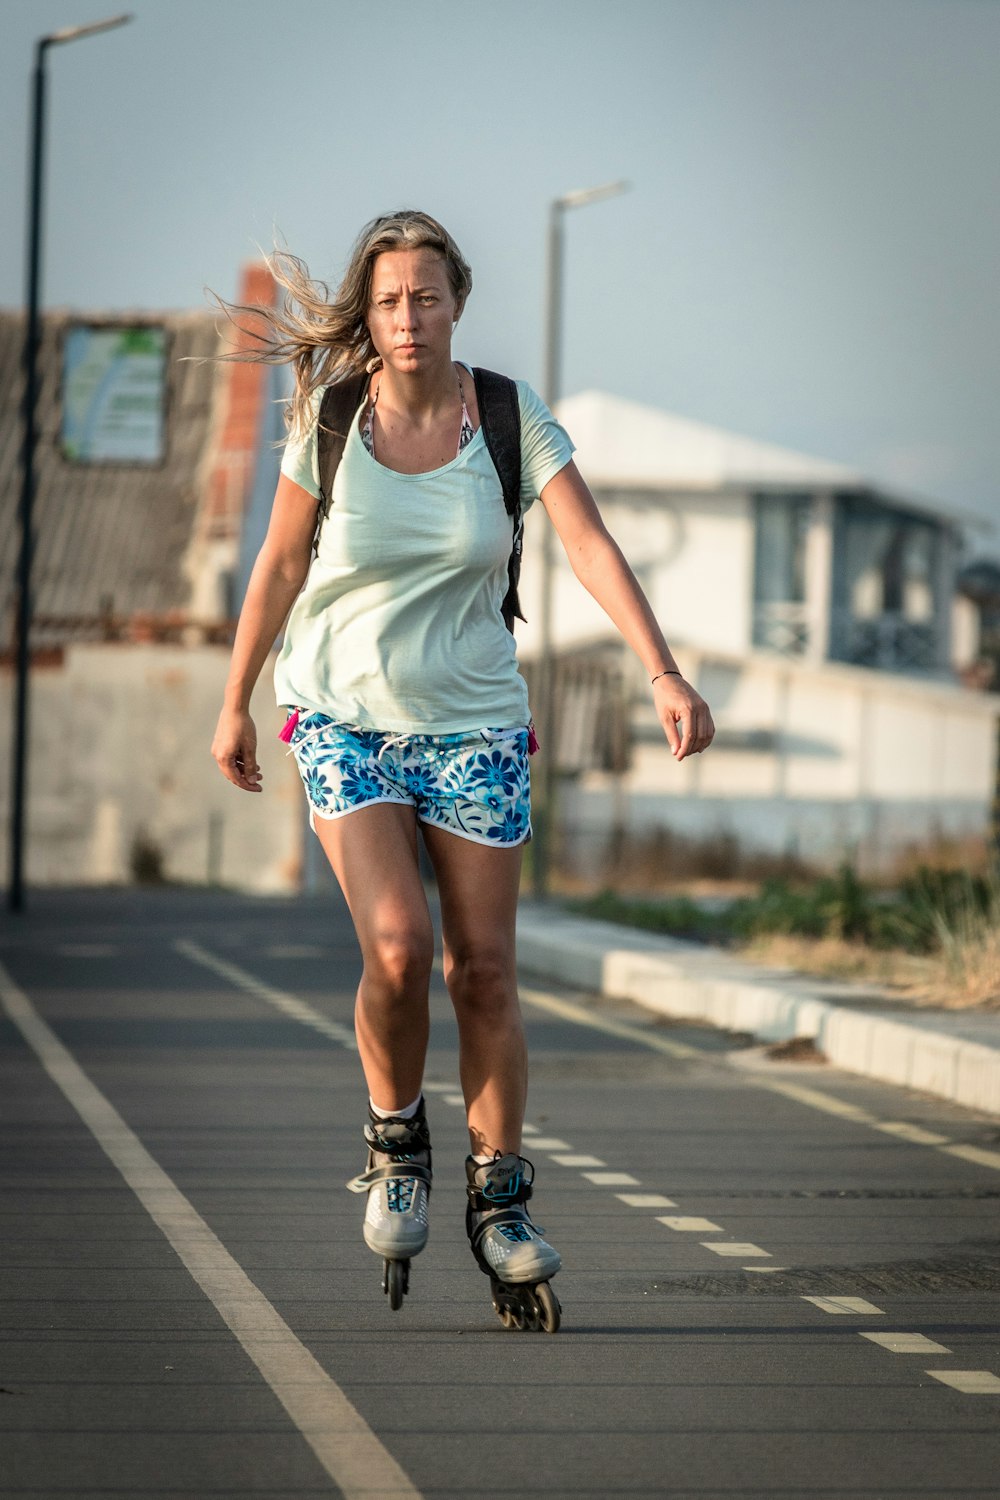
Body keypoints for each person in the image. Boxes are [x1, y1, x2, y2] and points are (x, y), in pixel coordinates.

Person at [211, 210, 715, 1332]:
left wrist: (662, 672)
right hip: (343, 717)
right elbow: (280, 561)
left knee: (481, 972)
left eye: (426, 296)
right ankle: (397, 1142)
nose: (407, 317)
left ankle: (499, 1196)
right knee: (398, 945)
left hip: (477, 725)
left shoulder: (506, 416)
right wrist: (234, 699)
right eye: (388, 299)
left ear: (455, 302)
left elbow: (587, 544)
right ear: (370, 311)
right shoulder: (332, 419)